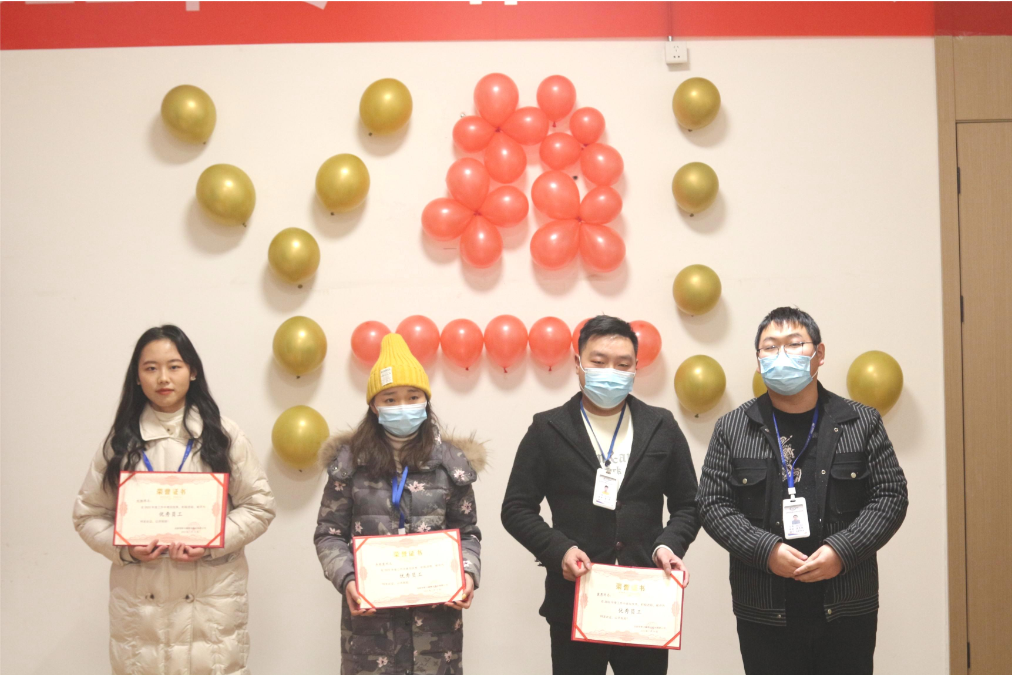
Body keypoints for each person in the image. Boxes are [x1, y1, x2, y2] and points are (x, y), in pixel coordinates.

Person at [697, 307, 908, 675]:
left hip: (846, 603)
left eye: (795, 344)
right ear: (759, 361)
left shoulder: (861, 421)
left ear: (819, 353)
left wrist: (843, 550)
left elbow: (890, 496)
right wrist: (766, 550)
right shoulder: (732, 427)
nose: (782, 355)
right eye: (770, 347)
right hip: (765, 606)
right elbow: (712, 504)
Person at [501, 314, 700, 675]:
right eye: (599, 361)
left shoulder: (662, 425)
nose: (611, 371)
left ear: (635, 368)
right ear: (578, 363)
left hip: (645, 600)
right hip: (575, 597)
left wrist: (667, 546)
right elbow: (516, 508)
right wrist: (559, 550)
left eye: (623, 364)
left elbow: (689, 504)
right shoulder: (547, 428)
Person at [73, 325, 276, 675]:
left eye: (174, 366)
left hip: (210, 607)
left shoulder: (223, 435)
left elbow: (260, 505)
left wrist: (212, 542)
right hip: (141, 613)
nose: (163, 378)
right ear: (137, 377)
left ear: (192, 371)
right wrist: (125, 549)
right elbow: (87, 514)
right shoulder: (120, 442)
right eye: (151, 368)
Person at [315, 333, 485, 675]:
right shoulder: (349, 463)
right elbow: (329, 534)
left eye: (412, 396)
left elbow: (468, 534)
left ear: (426, 401)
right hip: (370, 628)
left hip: (436, 628)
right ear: (374, 406)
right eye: (390, 399)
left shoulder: (451, 464)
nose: (403, 405)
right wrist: (348, 580)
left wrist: (467, 574)